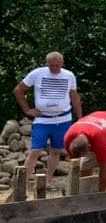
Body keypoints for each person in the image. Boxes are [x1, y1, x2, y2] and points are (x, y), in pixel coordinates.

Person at [13, 51, 83, 190]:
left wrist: (80, 117)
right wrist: (27, 110)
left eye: (57, 65)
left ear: (62, 64)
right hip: (42, 119)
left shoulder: (69, 75)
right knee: (35, 151)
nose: (55, 68)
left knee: (56, 150)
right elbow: (18, 90)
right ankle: (23, 184)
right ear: (47, 64)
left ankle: (48, 182)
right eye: (52, 66)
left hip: (63, 118)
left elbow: (74, 96)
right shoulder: (37, 73)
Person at [64, 111, 106, 191]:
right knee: (84, 165)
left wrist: (100, 194)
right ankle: (85, 192)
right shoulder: (68, 138)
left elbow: (104, 169)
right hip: (100, 124)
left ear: (90, 147)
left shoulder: (99, 141)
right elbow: (73, 164)